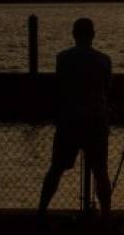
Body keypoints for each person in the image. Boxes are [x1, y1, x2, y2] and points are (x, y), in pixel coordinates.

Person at [38, 18, 112, 220]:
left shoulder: (62, 58)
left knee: (56, 168)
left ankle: (41, 210)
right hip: (96, 120)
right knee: (101, 171)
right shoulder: (104, 60)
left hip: (69, 119)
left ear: (74, 34)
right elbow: (107, 89)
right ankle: (106, 215)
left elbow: (59, 88)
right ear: (93, 34)